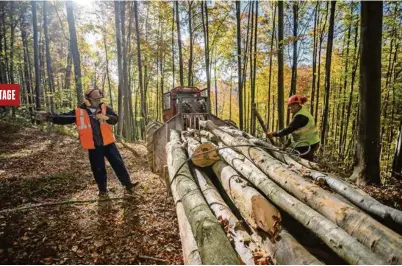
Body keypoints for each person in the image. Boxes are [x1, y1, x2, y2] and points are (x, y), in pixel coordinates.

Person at [38, 89, 138, 195]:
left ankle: (128, 184)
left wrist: (106, 117)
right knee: (98, 168)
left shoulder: (105, 108)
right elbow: (64, 118)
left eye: (99, 98)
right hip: (94, 146)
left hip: (109, 143)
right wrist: (49, 117)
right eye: (96, 98)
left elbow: (115, 119)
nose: (98, 100)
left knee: (118, 164)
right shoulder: (79, 111)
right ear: (88, 98)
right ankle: (102, 190)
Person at [266, 95, 320, 161]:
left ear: (296, 105)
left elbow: (288, 130)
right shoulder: (302, 113)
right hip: (310, 143)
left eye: (291, 105)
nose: (289, 107)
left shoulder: (300, 116)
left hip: (306, 145)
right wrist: (286, 145)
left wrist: (274, 134)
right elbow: (294, 132)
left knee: (303, 165)